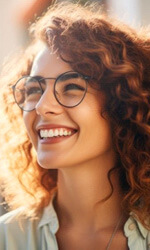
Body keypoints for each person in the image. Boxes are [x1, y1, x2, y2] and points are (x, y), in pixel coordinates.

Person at [0, 2, 150, 250]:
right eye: (35, 89)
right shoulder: (7, 238)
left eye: (71, 87)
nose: (41, 106)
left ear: (124, 105)